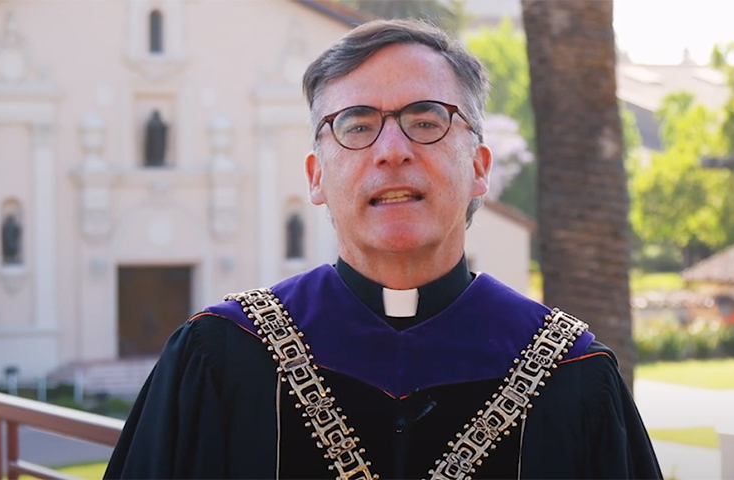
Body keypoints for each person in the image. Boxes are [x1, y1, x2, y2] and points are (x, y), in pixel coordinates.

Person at [105, 19, 662, 480]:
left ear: (478, 169)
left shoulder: (573, 374)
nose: (391, 151)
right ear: (316, 176)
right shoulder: (221, 357)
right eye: (356, 124)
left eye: (426, 120)